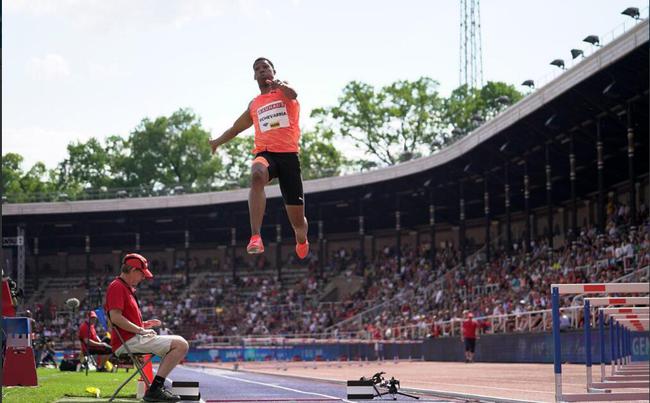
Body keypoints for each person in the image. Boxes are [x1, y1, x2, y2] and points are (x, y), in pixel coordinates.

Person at [209, 57, 309, 259]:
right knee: (256, 174)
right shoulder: (255, 104)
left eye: (266, 67)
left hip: (288, 157)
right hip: (265, 153)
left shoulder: (284, 91)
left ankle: (301, 239)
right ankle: (256, 236)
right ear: (254, 76)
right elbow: (236, 128)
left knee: (298, 223)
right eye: (258, 69)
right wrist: (217, 142)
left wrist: (281, 84)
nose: (262, 70)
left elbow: (294, 93)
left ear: (273, 71)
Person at [105, 253, 189, 402]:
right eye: (142, 274)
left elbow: (121, 320)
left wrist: (143, 325)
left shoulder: (124, 287)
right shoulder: (117, 286)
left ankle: (155, 388)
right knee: (181, 344)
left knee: (179, 343)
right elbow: (115, 318)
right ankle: (155, 389)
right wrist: (141, 330)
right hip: (127, 342)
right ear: (132, 270)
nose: (143, 277)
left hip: (131, 338)